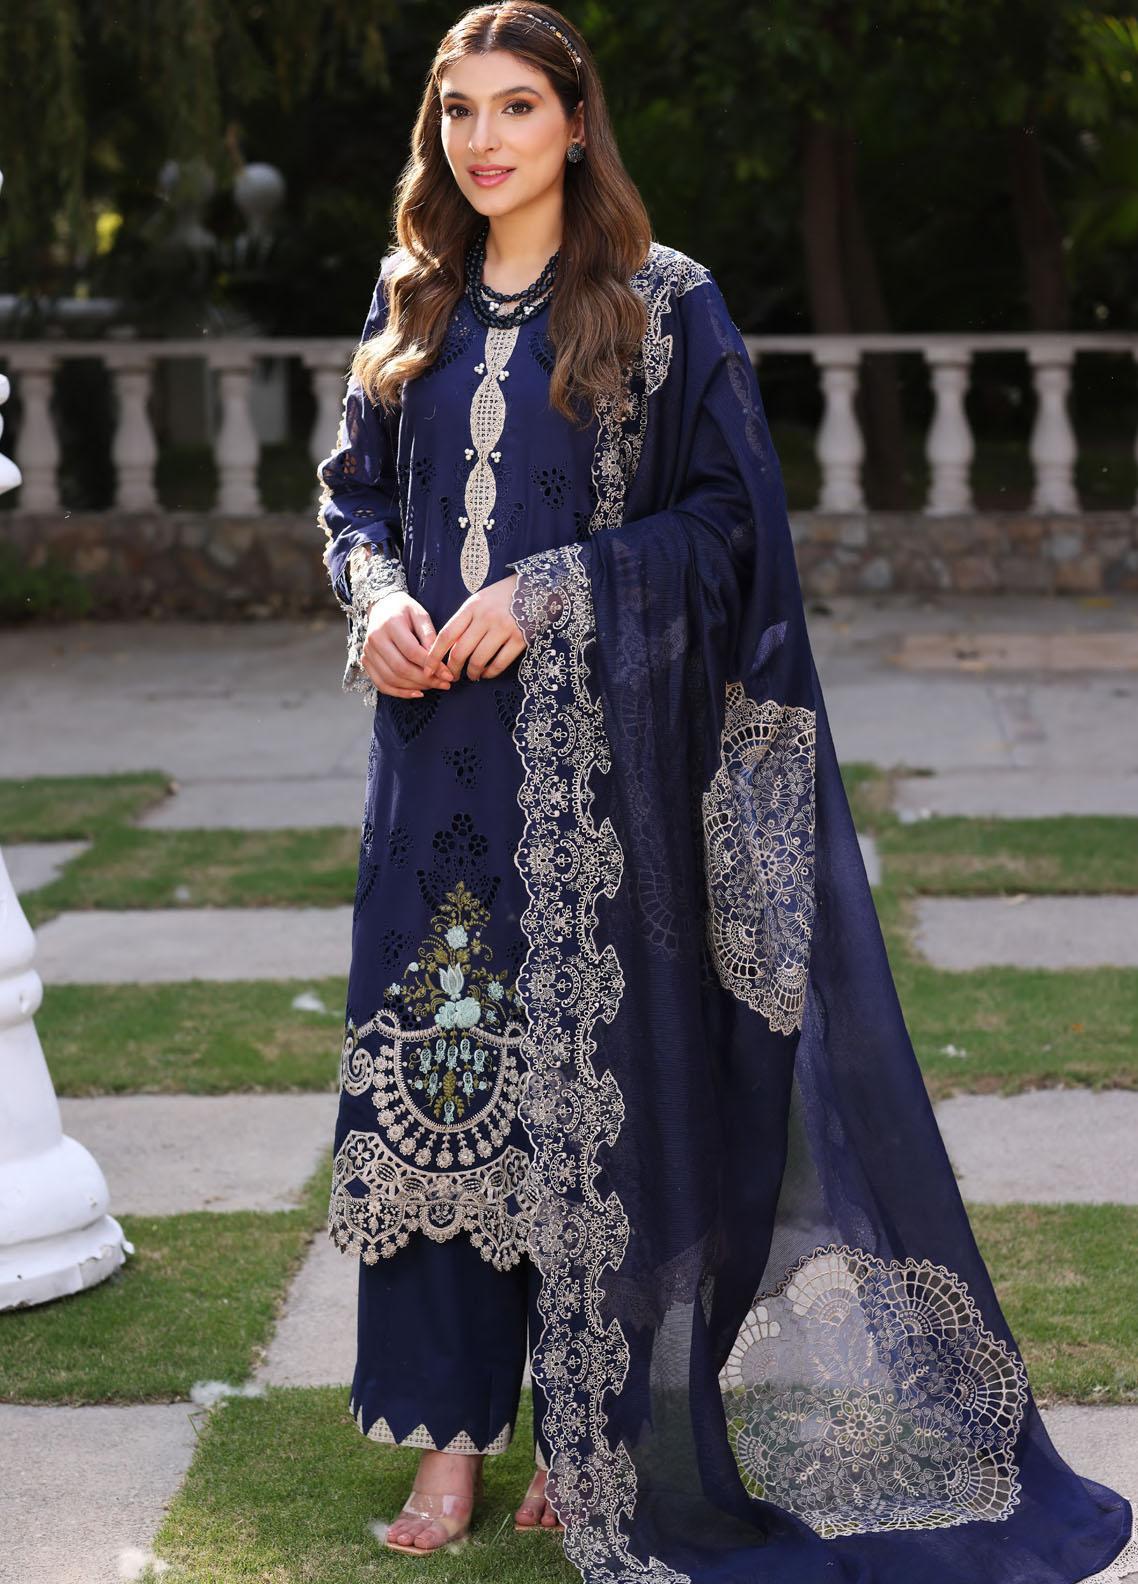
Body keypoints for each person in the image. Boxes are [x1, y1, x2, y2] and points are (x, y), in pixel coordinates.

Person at [315, 4, 1137, 1580]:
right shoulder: (410, 294)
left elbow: (726, 528)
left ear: (574, 122)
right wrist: (377, 597)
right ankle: (446, 1441)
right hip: (433, 774)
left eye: (516, 108)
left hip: (601, 787)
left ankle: (591, 1429)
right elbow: (354, 497)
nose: (483, 141)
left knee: (602, 1100)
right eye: (458, 112)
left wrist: (557, 588)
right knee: (444, 1086)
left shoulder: (660, 305)